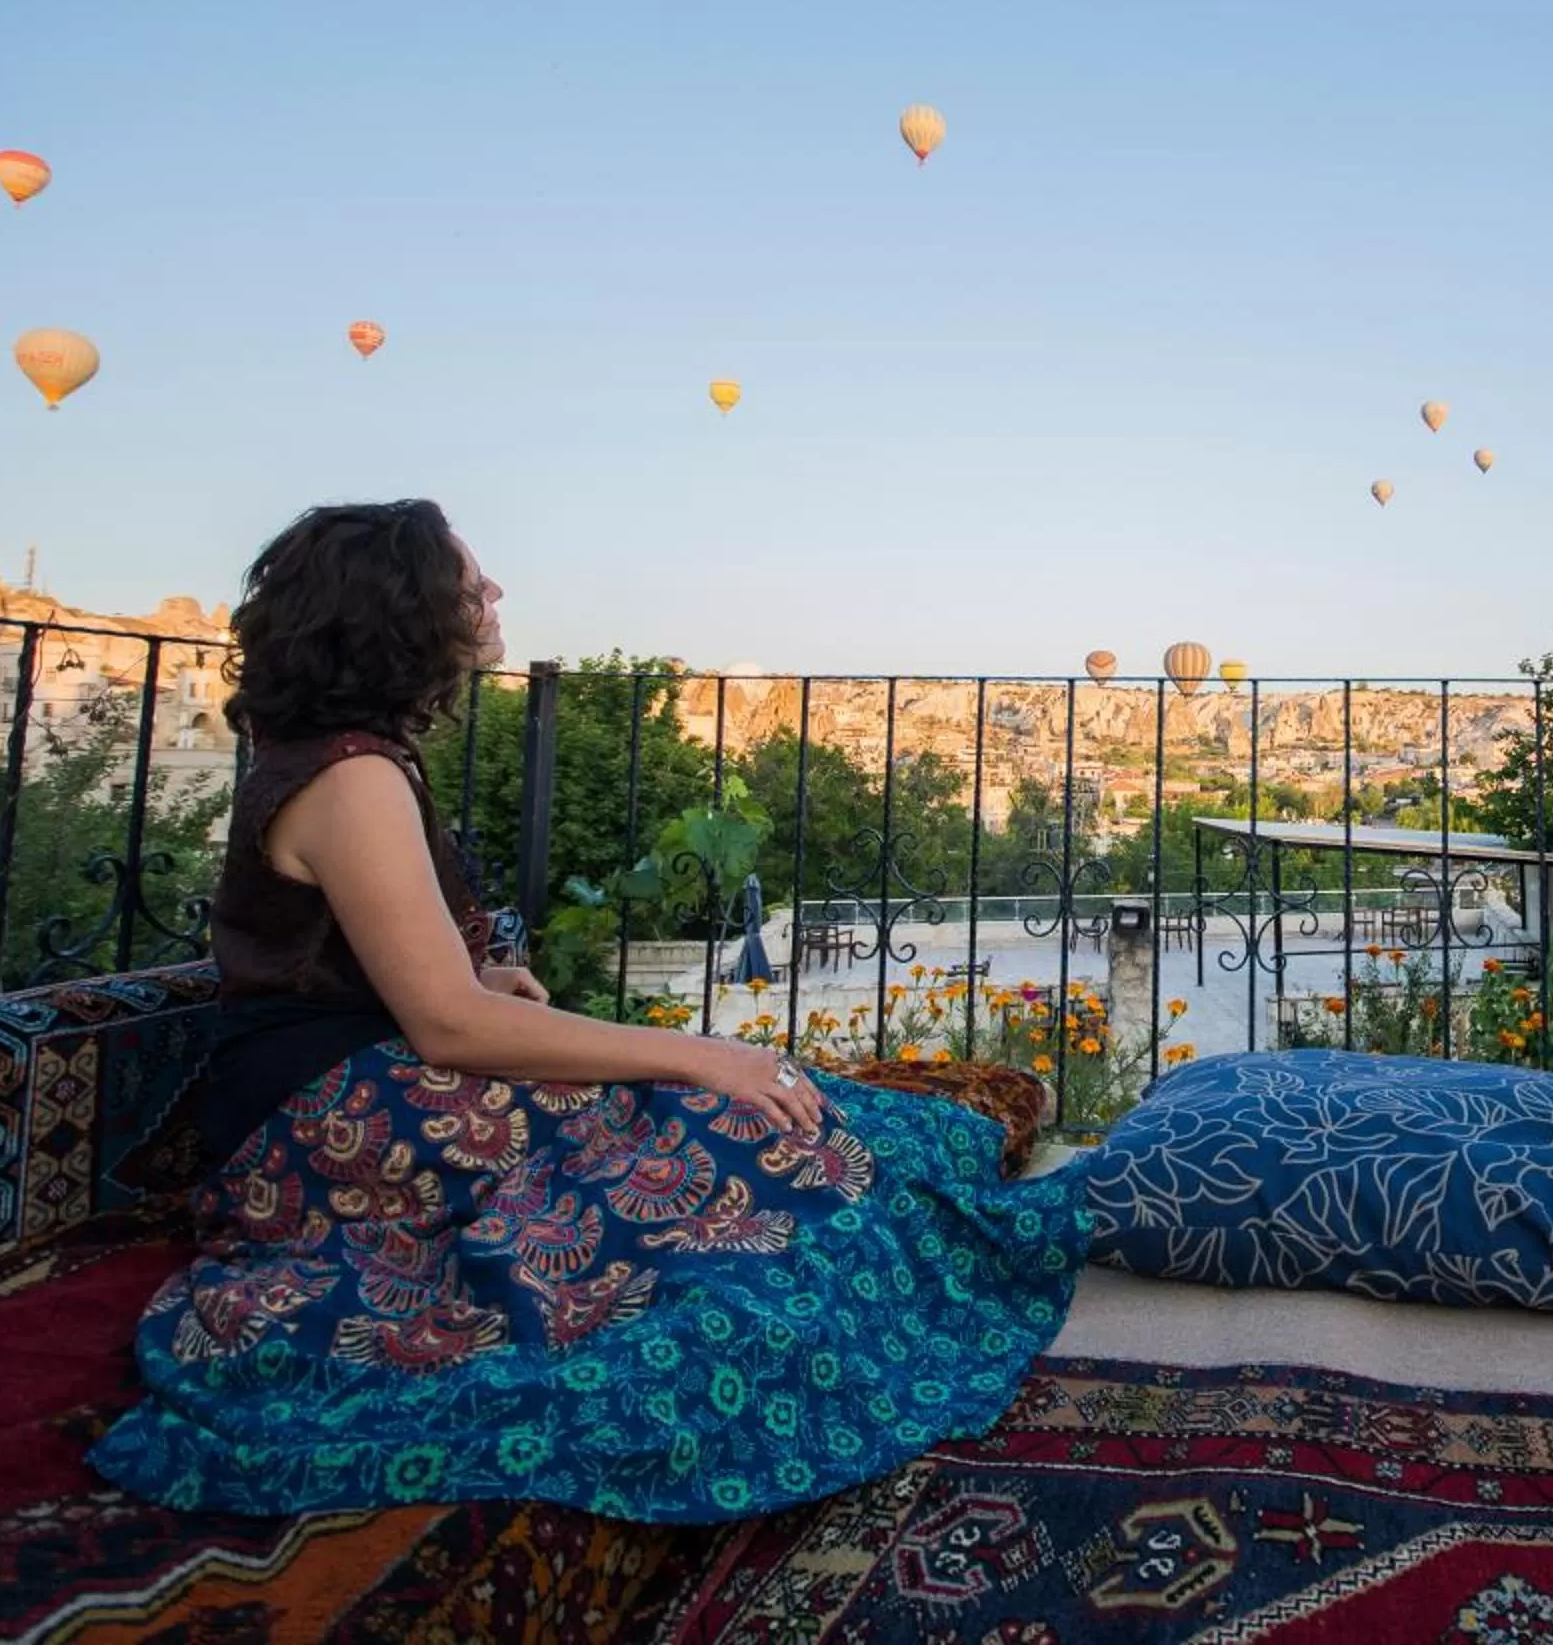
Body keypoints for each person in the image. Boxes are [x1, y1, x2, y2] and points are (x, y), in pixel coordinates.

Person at [91, 501, 1087, 1522]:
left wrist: (485, 982)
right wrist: (694, 1053)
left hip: (370, 1070)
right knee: (731, 1135)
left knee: (790, 1118)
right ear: (402, 611)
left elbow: (392, 974)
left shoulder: (347, 761)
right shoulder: (351, 779)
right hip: (331, 1114)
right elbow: (447, 1026)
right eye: (471, 584)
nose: (493, 596)